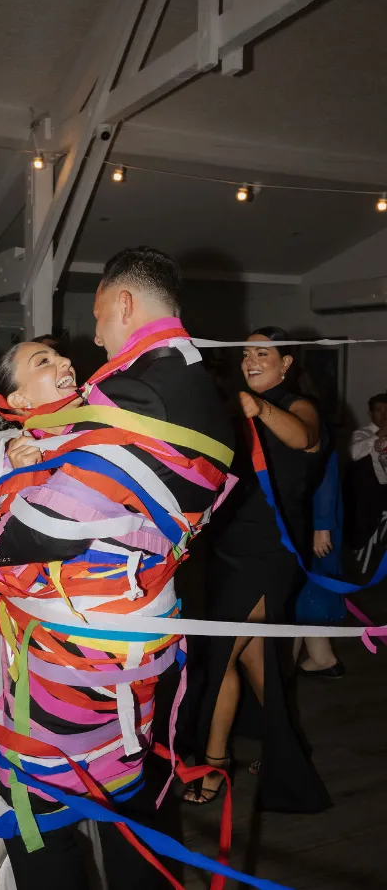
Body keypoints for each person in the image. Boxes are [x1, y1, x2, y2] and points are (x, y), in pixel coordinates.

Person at [0, 247, 234, 890]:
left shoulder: (131, 398)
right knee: (125, 797)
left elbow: (12, 546)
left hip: (74, 666)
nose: (92, 339)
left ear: (124, 304)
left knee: (43, 813)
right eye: (44, 361)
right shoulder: (196, 384)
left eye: (99, 316)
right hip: (124, 653)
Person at [184, 327, 331, 813]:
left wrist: (260, 409)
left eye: (262, 352)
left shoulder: (299, 406)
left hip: (269, 553)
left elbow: (305, 437)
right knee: (253, 660)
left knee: (221, 657)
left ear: (286, 363)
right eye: (246, 353)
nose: (250, 359)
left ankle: (214, 764)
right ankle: (288, 750)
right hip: (228, 547)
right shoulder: (236, 406)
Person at [294, 445, 345, 677]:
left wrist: (321, 525)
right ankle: (322, 657)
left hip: (311, 522)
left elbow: (323, 467)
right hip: (310, 518)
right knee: (307, 590)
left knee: (299, 590)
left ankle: (284, 667)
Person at [346, 392, 387, 570]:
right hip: (373, 494)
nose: (385, 415)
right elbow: (354, 453)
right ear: (370, 413)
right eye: (379, 410)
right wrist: (381, 433)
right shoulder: (362, 433)